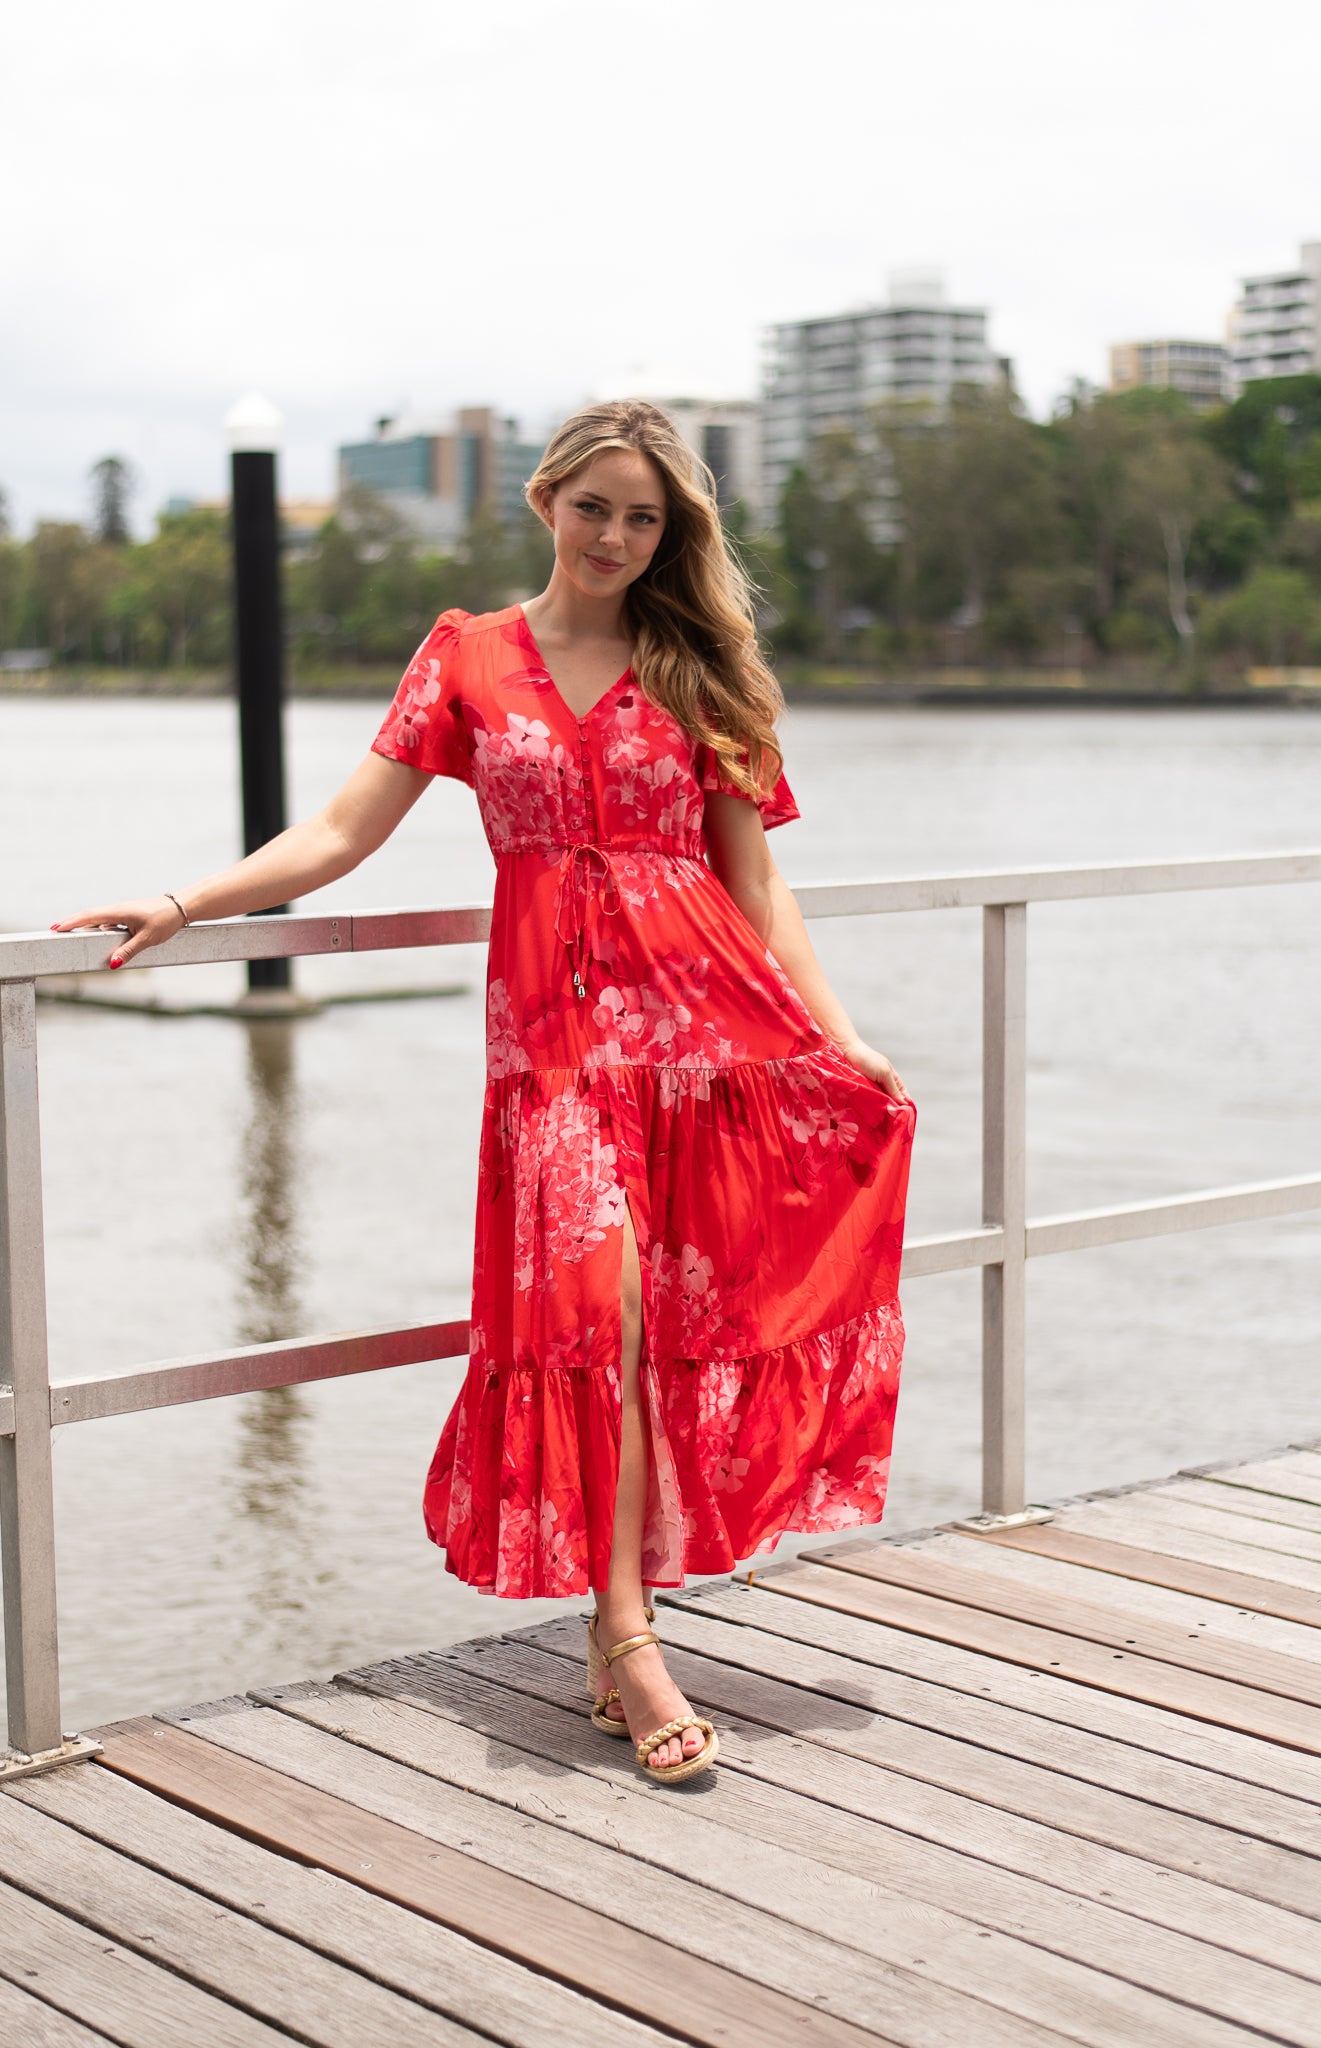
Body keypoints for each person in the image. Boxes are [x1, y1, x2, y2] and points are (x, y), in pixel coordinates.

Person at [55, 399, 916, 1785]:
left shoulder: (698, 666)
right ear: (545, 501)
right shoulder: (466, 659)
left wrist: (835, 1033)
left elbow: (753, 877)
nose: (617, 538)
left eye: (644, 519)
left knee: (668, 1320)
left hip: (703, 1036)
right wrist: (182, 900)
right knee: (603, 1314)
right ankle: (628, 1639)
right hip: (555, 1058)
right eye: (596, 509)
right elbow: (339, 835)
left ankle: (619, 1634)